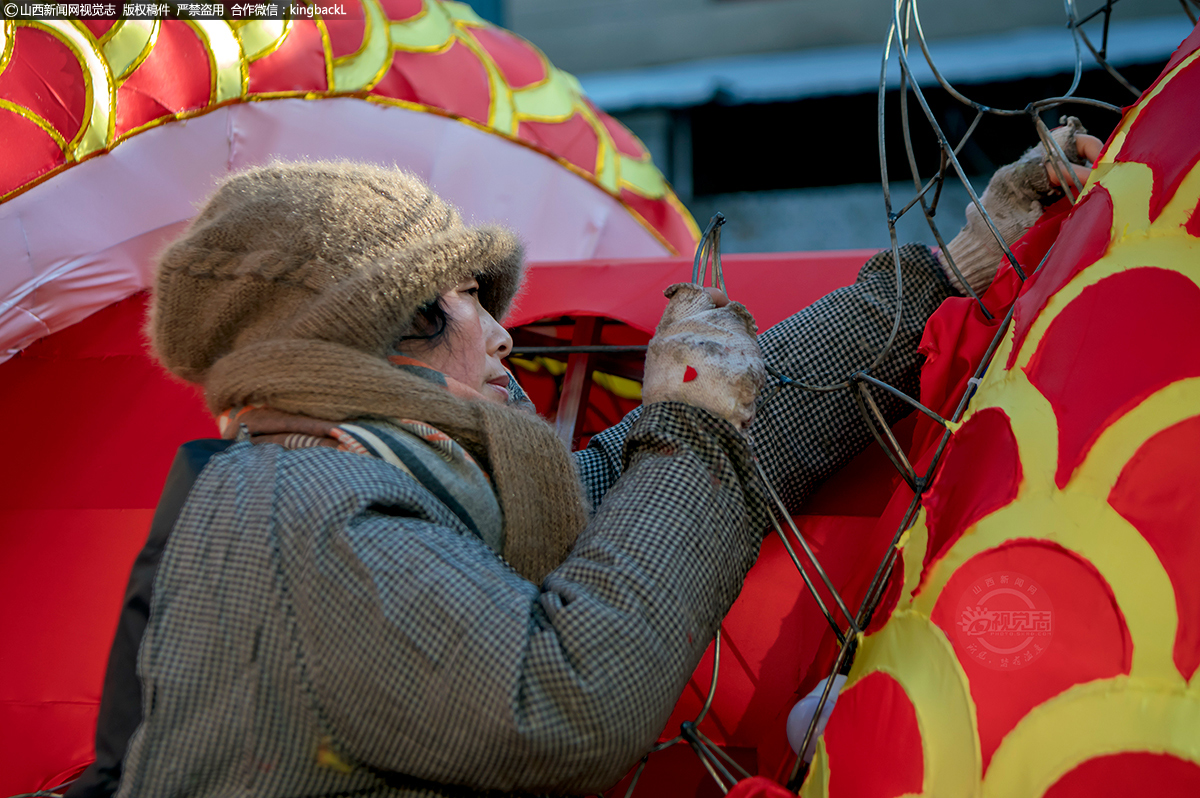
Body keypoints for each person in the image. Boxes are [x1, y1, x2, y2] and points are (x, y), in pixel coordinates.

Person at [76, 124, 1100, 798]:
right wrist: (693, 428)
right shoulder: (309, 510)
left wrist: (955, 269)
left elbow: (655, 477)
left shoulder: (369, 481)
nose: (504, 337)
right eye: (472, 302)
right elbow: (570, 702)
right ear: (379, 329)